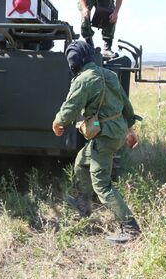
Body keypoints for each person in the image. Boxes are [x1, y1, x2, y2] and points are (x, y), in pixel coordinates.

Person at [51, 40, 141, 242]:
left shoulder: (83, 79)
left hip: (105, 136)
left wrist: (58, 122)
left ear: (74, 61)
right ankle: (84, 204)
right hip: (116, 131)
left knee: (102, 185)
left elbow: (70, 107)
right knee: (81, 163)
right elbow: (126, 104)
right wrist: (130, 129)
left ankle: (131, 227)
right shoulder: (108, 74)